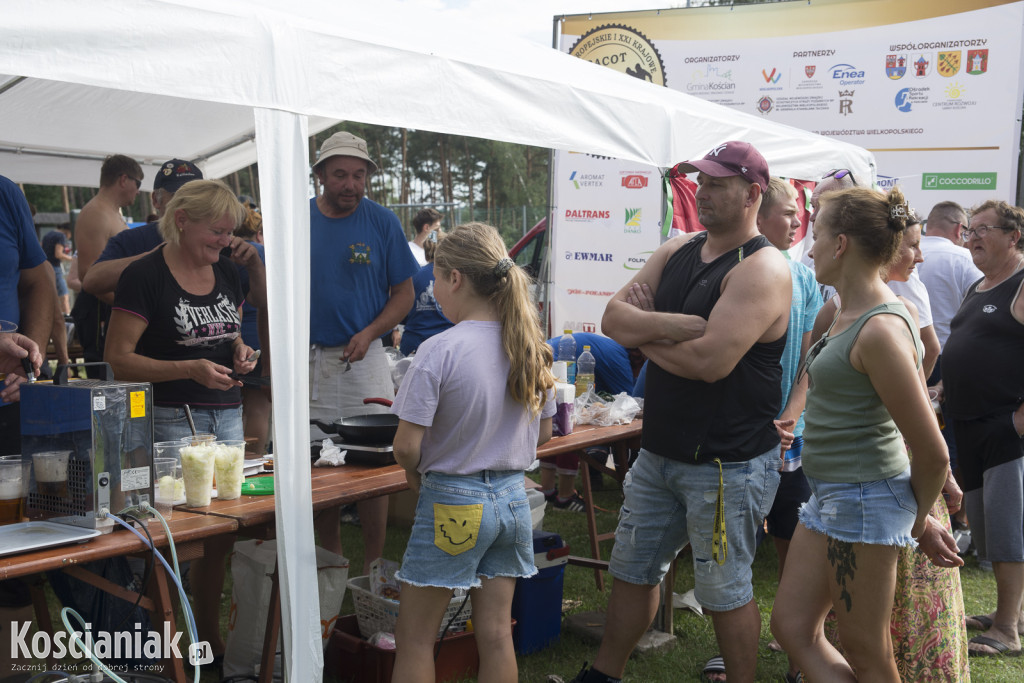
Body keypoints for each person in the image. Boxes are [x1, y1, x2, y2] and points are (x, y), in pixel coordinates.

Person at [574, 141, 792, 683]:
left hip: (728, 464)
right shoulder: (678, 250)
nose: (704, 190)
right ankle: (604, 675)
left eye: (718, 183)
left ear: (752, 194)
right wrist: (675, 326)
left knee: (725, 590)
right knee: (632, 570)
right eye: (702, 180)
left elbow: (711, 362)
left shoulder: (763, 268)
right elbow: (611, 318)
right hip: (661, 450)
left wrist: (647, 333)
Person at [770, 186, 950, 682]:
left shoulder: (880, 330)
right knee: (791, 626)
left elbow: (934, 454)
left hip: (865, 503)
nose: (810, 248)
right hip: (829, 495)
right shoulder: (837, 313)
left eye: (818, 235)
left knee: (868, 653)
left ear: (842, 243)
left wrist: (912, 524)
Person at [390, 222, 555, 683]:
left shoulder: (438, 350)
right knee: (498, 634)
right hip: (513, 501)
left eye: (436, 280)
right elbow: (543, 434)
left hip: (454, 502)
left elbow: (406, 445)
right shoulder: (530, 345)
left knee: (416, 638)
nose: (435, 291)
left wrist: (416, 473)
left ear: (456, 278)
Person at [104, 179, 259, 663]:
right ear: (182, 220)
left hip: (226, 420)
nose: (225, 241)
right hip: (167, 422)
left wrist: (239, 350)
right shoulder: (145, 275)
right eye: (216, 231)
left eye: (229, 231)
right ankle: (161, 644)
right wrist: (188, 369)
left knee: (219, 535)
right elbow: (119, 358)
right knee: (171, 540)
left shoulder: (230, 273)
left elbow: (224, 332)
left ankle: (206, 639)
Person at [308, 131, 418, 573]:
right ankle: (329, 563)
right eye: (340, 175)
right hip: (310, 360)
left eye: (359, 175)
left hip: (366, 357)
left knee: (373, 466)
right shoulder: (298, 220)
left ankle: (374, 565)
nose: (350, 184)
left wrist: (371, 331)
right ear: (319, 176)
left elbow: (404, 295)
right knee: (318, 462)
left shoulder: (382, 222)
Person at [940, 199, 1024, 656]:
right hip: (969, 424)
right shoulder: (979, 285)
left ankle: (1007, 630)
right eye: (971, 229)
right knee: (990, 530)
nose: (973, 236)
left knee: (1009, 531)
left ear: (1014, 237)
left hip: (1004, 427)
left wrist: (1018, 420)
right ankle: (1010, 612)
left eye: (985, 229)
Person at [756, 177, 824, 683]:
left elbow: (808, 358)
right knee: (734, 544)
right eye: (787, 212)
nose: (798, 221)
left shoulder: (806, 279)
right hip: (743, 434)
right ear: (758, 214)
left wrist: (792, 414)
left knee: (791, 536)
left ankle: (798, 648)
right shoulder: (744, 270)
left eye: (800, 213)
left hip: (787, 434)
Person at [0, 174, 51, 675]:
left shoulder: (6, 192)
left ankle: (18, 669)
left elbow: (37, 281)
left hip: (7, 403)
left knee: (14, 540)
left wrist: (29, 360)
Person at [917, 201, 982, 504]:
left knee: (914, 435)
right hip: (949, 359)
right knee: (948, 439)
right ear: (959, 229)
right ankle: (952, 513)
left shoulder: (904, 251)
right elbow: (982, 310)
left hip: (904, 355)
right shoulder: (964, 259)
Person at [538, 332, 640, 512]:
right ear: (638, 355)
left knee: (553, 427)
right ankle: (565, 498)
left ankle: (547, 491)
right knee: (568, 430)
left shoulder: (610, 349)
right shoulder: (620, 358)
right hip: (558, 370)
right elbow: (629, 405)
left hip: (543, 362)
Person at [70, 154, 143, 375]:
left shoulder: (111, 213)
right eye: (137, 183)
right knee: (106, 384)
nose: (138, 191)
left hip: (112, 308)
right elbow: (88, 276)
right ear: (124, 180)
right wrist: (133, 307)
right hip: (100, 310)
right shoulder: (96, 213)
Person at [233, 206, 271, 455]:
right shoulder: (261, 253)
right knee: (258, 408)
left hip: (235, 338)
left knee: (238, 406)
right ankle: (255, 459)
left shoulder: (228, 254)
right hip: (258, 339)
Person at [399, 229, 453, 356]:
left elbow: (402, 312)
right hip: (446, 344)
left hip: (414, 344)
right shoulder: (453, 277)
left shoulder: (412, 276)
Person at [41, 224, 73, 314]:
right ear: (68, 231)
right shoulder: (61, 236)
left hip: (45, 267)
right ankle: (68, 320)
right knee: (64, 296)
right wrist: (72, 258)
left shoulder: (48, 234)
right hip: (55, 268)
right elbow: (58, 254)